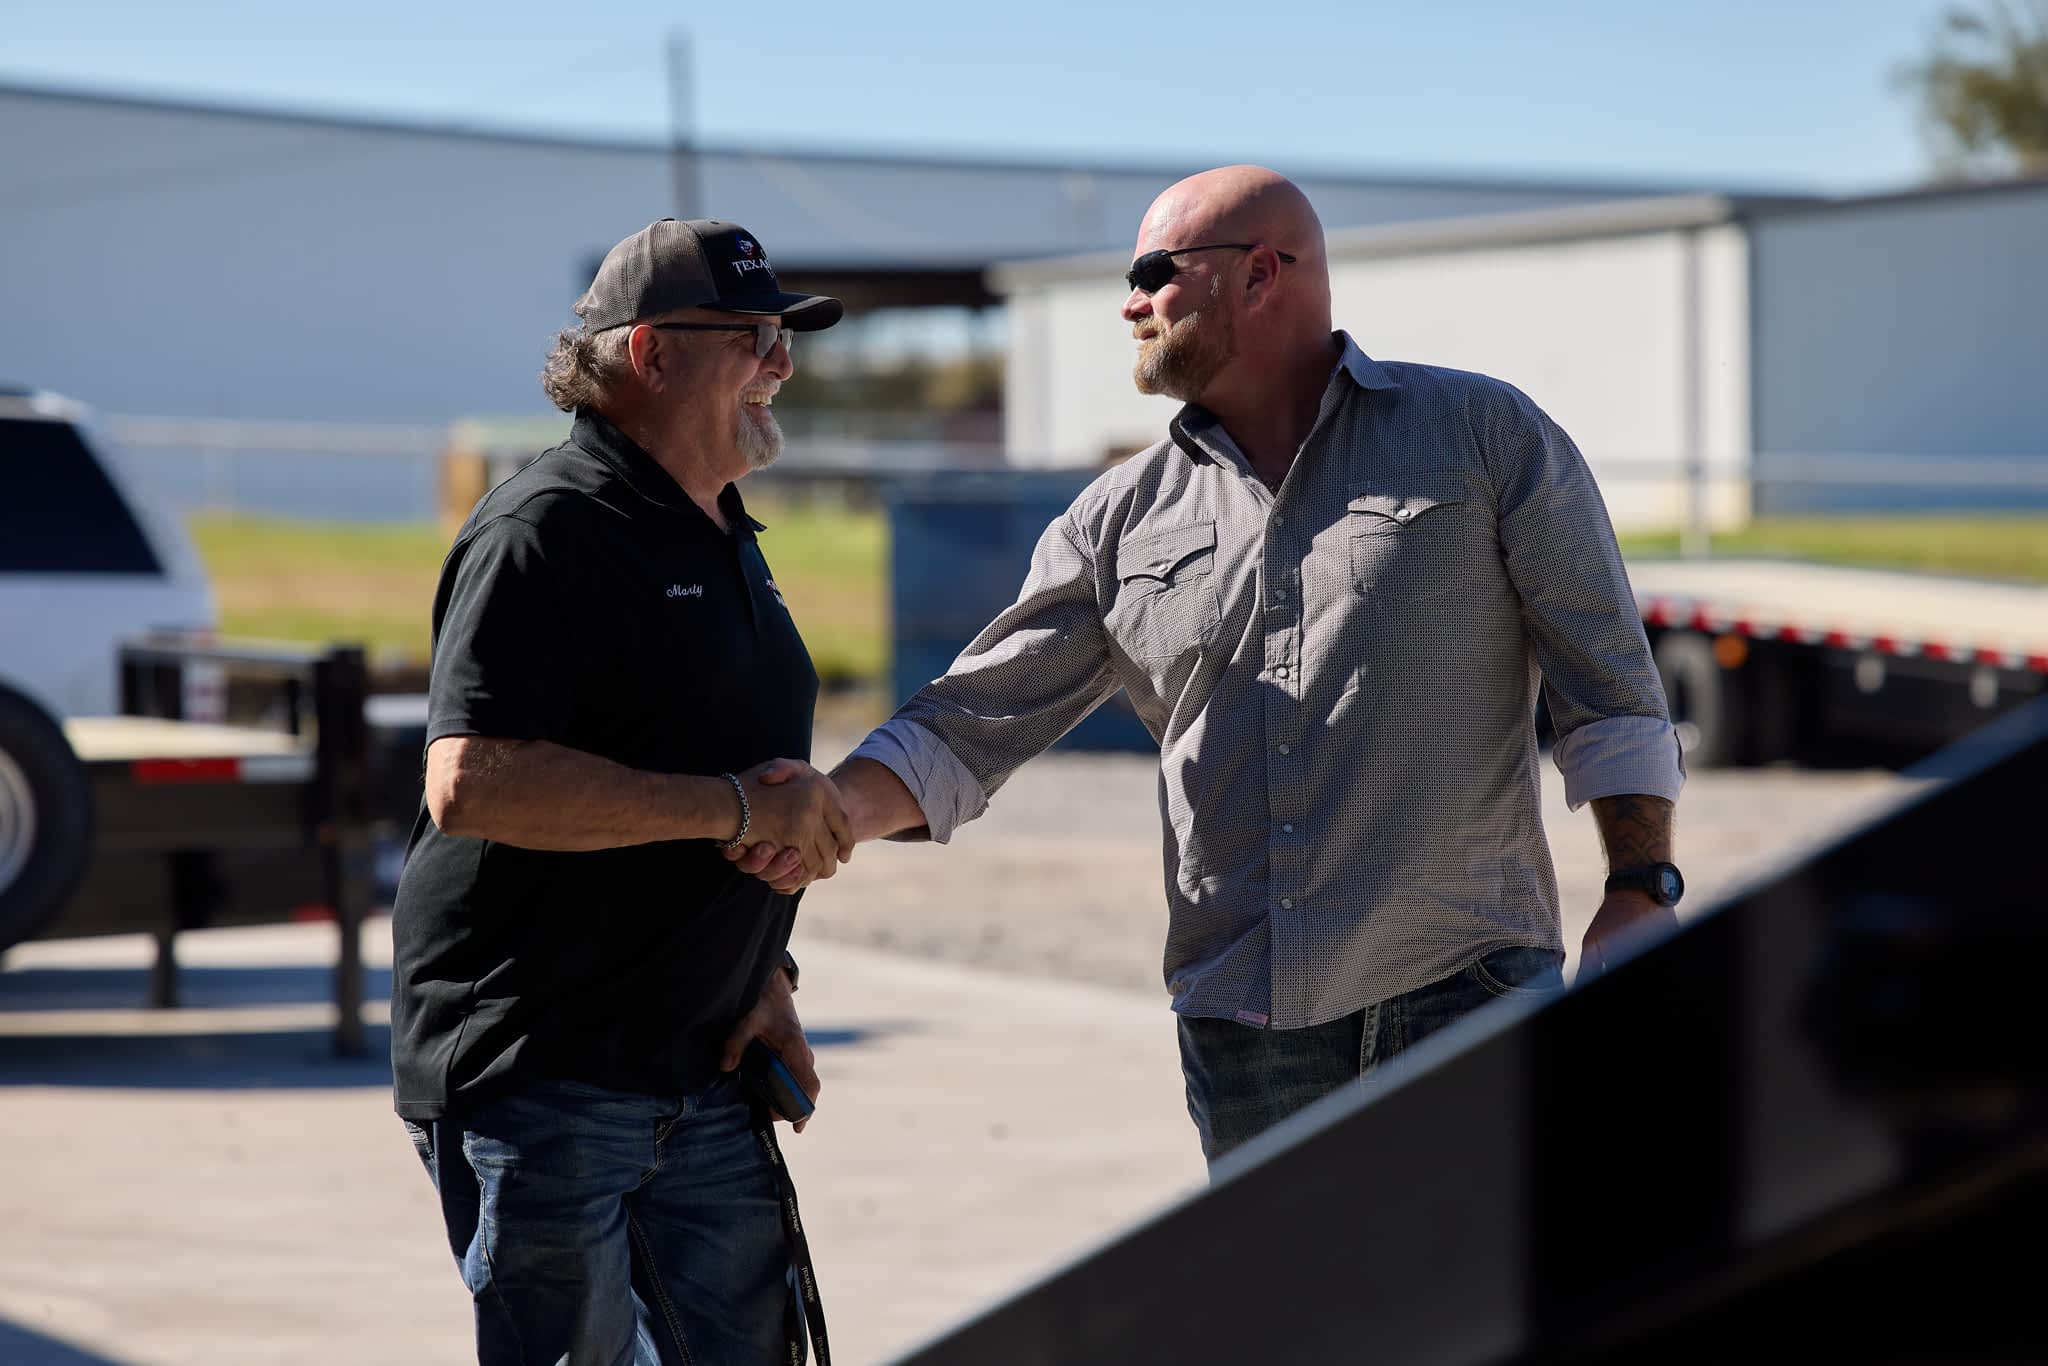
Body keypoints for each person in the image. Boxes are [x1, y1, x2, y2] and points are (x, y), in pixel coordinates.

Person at [731, 167, 1687, 1166]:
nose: (1128, 302)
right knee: (1286, 1324)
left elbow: (1607, 685)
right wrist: (816, 818)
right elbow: (967, 726)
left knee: (1482, 1315)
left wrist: (1638, 887)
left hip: (1465, 995)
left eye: (1153, 271)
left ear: (1261, 274)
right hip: (1242, 1034)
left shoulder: (1482, 439)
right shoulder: (1115, 519)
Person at [390, 217, 855, 1363]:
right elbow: (472, 780)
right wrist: (737, 806)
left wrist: (766, 971)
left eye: (783, 338)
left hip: (699, 1067)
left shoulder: (722, 532)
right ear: (650, 355)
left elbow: (693, 752)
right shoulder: (547, 527)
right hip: (545, 1074)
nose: (781, 363)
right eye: (753, 335)